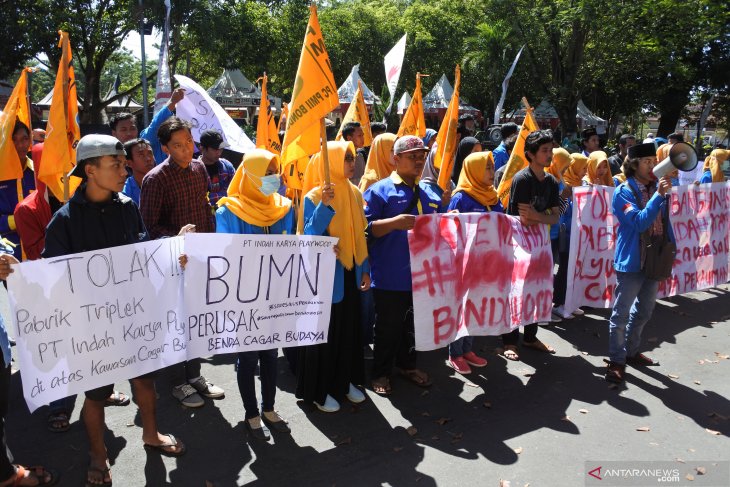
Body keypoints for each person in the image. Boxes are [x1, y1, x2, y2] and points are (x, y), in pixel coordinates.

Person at [43, 134, 186, 486]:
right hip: (91, 330)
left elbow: (139, 252)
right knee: (95, 395)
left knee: (144, 383)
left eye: (124, 164)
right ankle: (97, 455)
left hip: (133, 319)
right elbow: (49, 279)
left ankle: (151, 434)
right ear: (89, 170)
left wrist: (169, 254)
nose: (125, 171)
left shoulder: (127, 207)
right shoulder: (64, 221)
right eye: (116, 165)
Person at [139, 117, 223, 407]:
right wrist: (175, 238)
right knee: (175, 322)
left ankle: (195, 374)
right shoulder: (155, 179)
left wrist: (212, 240)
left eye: (189, 142)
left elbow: (204, 206)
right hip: (171, 263)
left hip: (199, 259)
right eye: (178, 145)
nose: (186, 149)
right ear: (165, 148)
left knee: (197, 319)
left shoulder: (200, 169)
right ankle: (177, 382)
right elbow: (148, 226)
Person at [215, 148, 293, 440]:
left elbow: (293, 247)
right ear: (249, 175)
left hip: (274, 296)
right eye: (267, 173)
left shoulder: (284, 207)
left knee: (271, 355)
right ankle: (251, 412)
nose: (274, 178)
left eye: (275, 172)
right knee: (248, 359)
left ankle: (269, 407)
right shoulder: (229, 211)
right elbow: (224, 254)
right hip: (243, 298)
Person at [364, 135, 444, 395]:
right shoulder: (379, 191)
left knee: (414, 325)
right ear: (395, 159)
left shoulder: (431, 192)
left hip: (423, 276)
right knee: (388, 328)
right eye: (412, 156)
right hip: (389, 276)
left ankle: (408, 366)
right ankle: (380, 373)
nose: (419, 161)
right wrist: (394, 223)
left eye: (422, 156)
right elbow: (365, 231)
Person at [297, 141, 371, 412]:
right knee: (325, 337)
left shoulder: (354, 192)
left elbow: (359, 236)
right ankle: (320, 390)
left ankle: (346, 381)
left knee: (348, 332)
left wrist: (365, 270)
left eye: (353, 157)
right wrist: (324, 206)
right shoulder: (315, 196)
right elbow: (308, 237)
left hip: (350, 275)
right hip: (324, 280)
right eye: (346, 158)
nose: (352, 162)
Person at [605, 142, 674, 383]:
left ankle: (631, 352)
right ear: (634, 165)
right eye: (647, 162)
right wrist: (659, 196)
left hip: (654, 260)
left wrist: (670, 249)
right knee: (621, 314)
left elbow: (664, 222)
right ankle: (616, 360)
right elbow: (639, 222)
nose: (653, 165)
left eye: (654, 161)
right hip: (633, 261)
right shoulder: (623, 191)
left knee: (644, 311)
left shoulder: (656, 188)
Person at [501, 130, 560, 361]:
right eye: (544, 151)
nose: (549, 155)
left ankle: (531, 336)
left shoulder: (552, 181)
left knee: (537, 288)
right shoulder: (522, 179)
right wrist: (539, 215)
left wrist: (538, 215)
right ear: (530, 154)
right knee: (516, 290)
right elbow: (523, 218)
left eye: (550, 150)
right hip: (517, 244)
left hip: (540, 243)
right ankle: (509, 341)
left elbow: (555, 217)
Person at [445, 151, 500, 374]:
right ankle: (455, 353)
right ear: (474, 170)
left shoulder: (492, 197)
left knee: (475, 307)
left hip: (486, 264)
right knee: (460, 308)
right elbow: (448, 232)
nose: (491, 172)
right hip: (463, 265)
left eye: (491, 167)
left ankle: (468, 348)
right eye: (486, 167)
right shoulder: (462, 197)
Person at [547, 148, 585, 320]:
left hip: (557, 233)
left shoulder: (559, 180)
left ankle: (560, 303)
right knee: (548, 273)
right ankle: (548, 307)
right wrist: (563, 197)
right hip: (550, 233)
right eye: (563, 167)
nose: (564, 171)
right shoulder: (548, 181)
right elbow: (554, 212)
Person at [109, 88, 185, 163]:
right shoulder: (109, 156)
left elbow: (156, 124)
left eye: (132, 128)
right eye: (123, 130)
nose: (129, 133)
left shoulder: (146, 141)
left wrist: (172, 102)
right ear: (114, 133)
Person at [0, 121, 35, 260]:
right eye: (14, 140)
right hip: (9, 259)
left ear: (30, 139)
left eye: (24, 139)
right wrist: (17, 220)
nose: (20, 145)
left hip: (38, 258)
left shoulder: (39, 173)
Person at [197, 130, 236, 207]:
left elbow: (236, 191)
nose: (219, 152)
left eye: (221, 148)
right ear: (202, 148)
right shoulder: (193, 171)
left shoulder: (227, 166)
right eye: (215, 149)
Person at [121, 138, 155, 206]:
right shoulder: (125, 192)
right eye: (141, 155)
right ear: (129, 163)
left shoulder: (165, 182)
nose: (148, 159)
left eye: (150, 153)